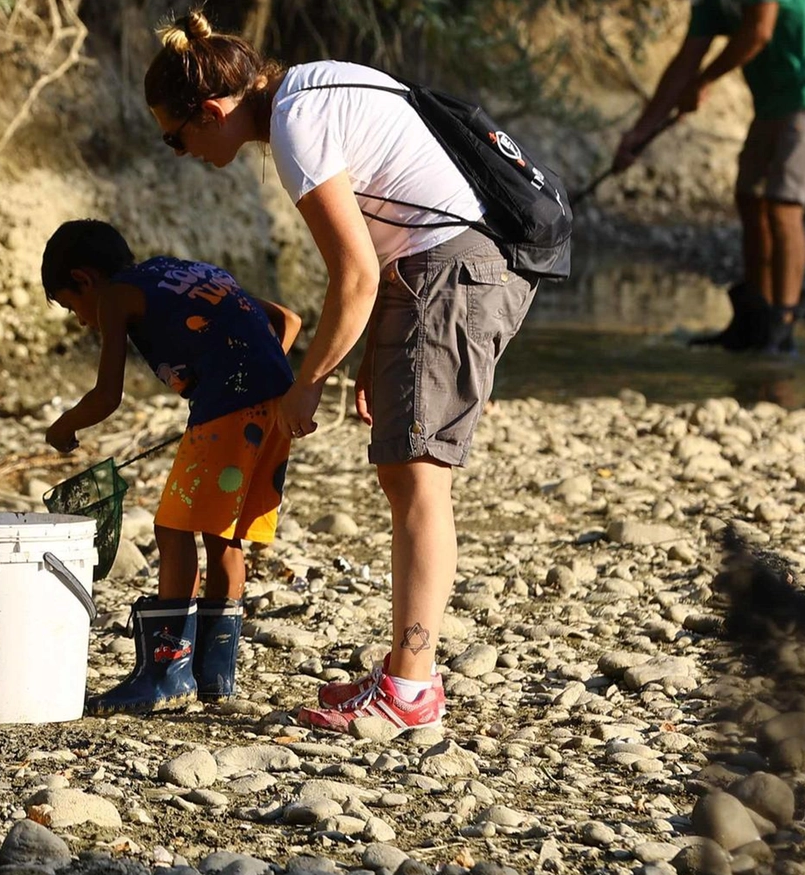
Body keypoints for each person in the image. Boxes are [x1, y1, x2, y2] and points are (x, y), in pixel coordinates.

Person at [144, 12, 539, 734]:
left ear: (210, 112)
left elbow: (353, 274)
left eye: (177, 138)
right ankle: (403, 672)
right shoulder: (314, 84)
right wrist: (367, 353)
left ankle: (412, 691)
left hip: (452, 273)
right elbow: (391, 223)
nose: (182, 153)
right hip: (434, 271)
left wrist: (310, 379)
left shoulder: (296, 124)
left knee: (421, 474)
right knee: (403, 472)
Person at [41, 219, 299, 714]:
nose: (81, 322)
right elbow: (286, 319)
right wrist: (254, 377)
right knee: (223, 535)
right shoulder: (181, 270)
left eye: (74, 307)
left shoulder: (116, 296)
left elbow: (106, 396)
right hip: (274, 411)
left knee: (171, 528)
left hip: (227, 414)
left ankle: (164, 674)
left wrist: (63, 428)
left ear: (86, 279)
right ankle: (213, 678)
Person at [616, 0, 805, 355]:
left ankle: (782, 330)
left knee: (782, 204)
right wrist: (639, 134)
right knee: (748, 196)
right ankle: (755, 320)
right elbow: (685, 62)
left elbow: (759, 30)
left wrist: (705, 81)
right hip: (772, 97)